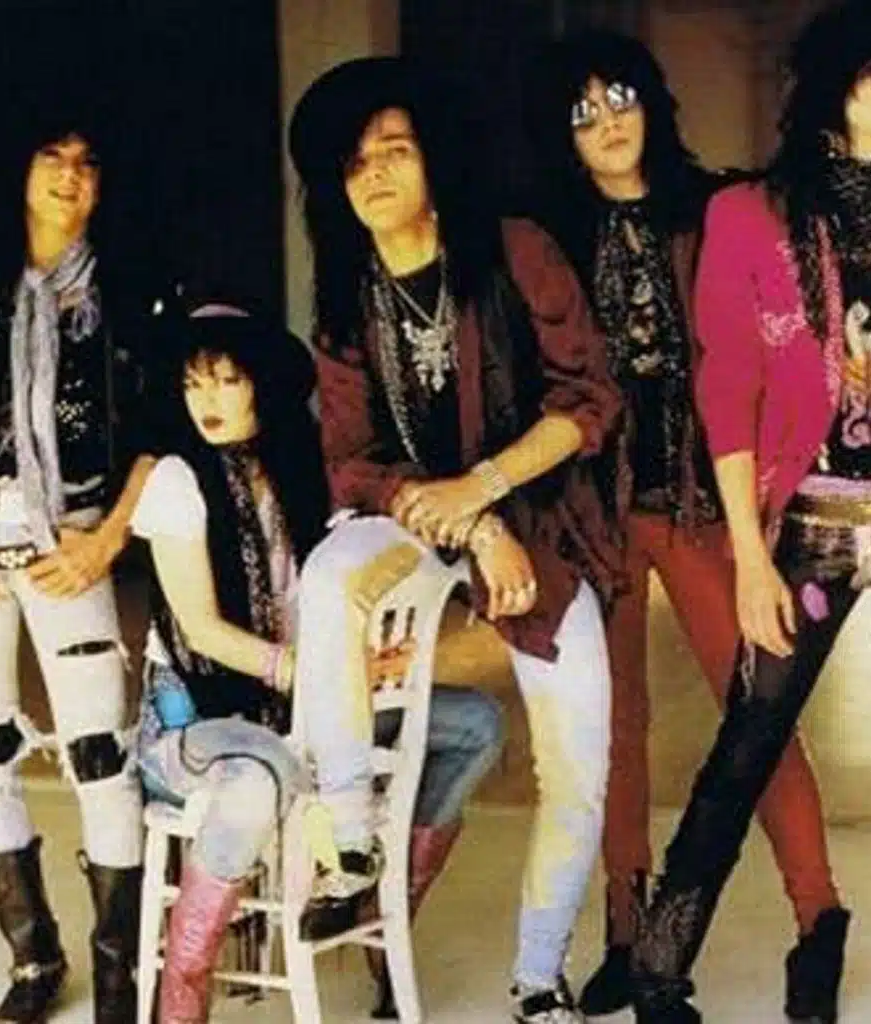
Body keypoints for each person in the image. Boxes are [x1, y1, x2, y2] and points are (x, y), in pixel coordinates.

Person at [629, 4, 871, 1023]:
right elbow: (727, 386)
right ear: (832, 86)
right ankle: (658, 972)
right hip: (810, 531)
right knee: (748, 740)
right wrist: (750, 560)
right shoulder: (751, 214)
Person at [288, 56, 627, 1023]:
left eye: (394, 150)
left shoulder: (514, 249)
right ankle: (350, 835)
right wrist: (467, 523)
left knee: (579, 763)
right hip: (420, 521)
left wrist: (487, 494)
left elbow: (589, 399)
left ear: (433, 159)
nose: (375, 175)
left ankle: (537, 977)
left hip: (544, 524)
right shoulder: (348, 295)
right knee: (329, 574)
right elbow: (350, 462)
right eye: (355, 164)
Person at [533, 31, 843, 1017]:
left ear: (651, 104)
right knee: (615, 727)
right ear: (563, 135)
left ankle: (818, 921)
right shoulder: (548, 237)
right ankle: (629, 935)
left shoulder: (718, 209)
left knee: (758, 710)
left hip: (708, 503)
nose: (605, 121)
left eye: (618, 97)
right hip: (599, 511)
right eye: (582, 111)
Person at [133, 303, 505, 1023]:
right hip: (196, 723)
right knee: (257, 780)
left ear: (263, 386)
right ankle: (180, 994)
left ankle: (374, 906)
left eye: (228, 381)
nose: (208, 401)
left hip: (304, 712)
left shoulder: (304, 471)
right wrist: (312, 674)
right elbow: (202, 634)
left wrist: (364, 662)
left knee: (476, 726)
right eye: (194, 384)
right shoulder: (177, 480)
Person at [0, 91, 161, 1024]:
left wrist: (110, 535)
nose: (69, 177)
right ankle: (33, 958)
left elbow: (164, 430)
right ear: (20, 167)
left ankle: (118, 975)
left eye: (87, 163)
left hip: (76, 537)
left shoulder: (124, 292)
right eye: (52, 155)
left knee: (98, 751)